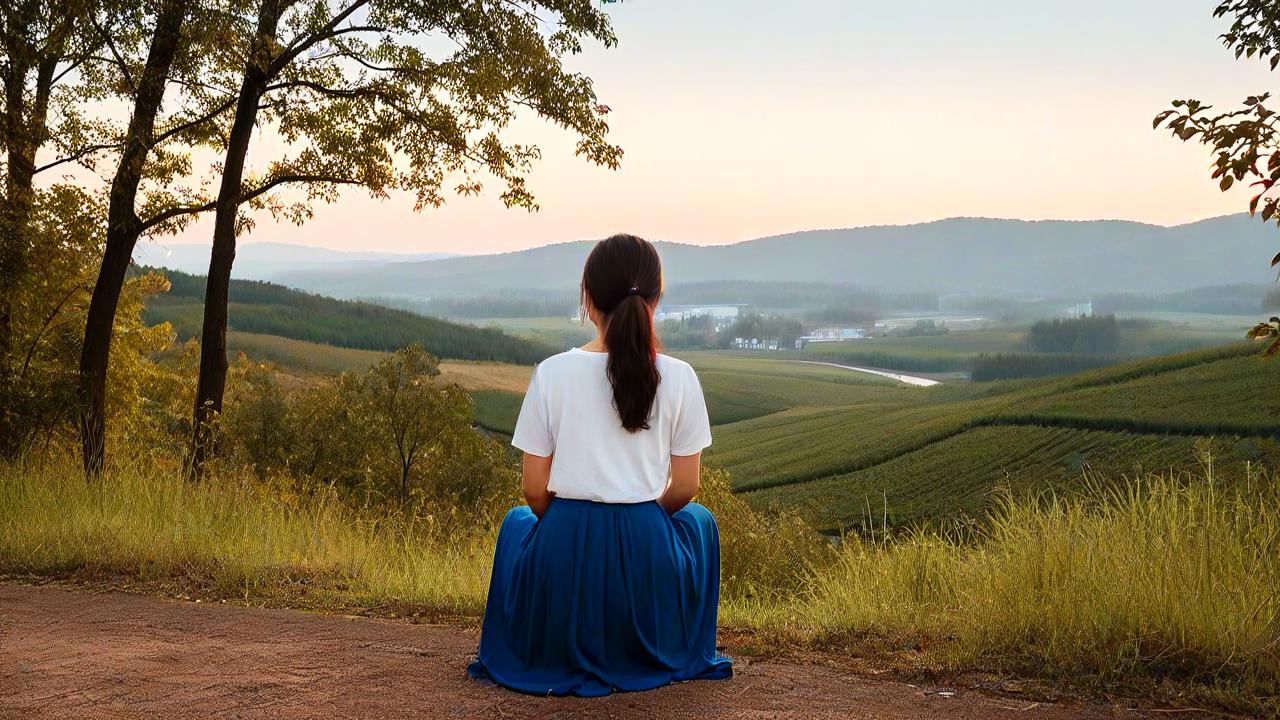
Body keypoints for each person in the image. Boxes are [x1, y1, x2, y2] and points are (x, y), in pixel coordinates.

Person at [467, 233, 733, 697]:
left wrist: (577, 526)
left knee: (515, 525)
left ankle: (540, 646)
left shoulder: (552, 372)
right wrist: (639, 518)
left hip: (565, 542)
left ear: (588, 299)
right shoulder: (682, 377)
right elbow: (686, 487)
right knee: (700, 523)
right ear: (656, 300)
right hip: (648, 542)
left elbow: (533, 490)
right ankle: (675, 644)